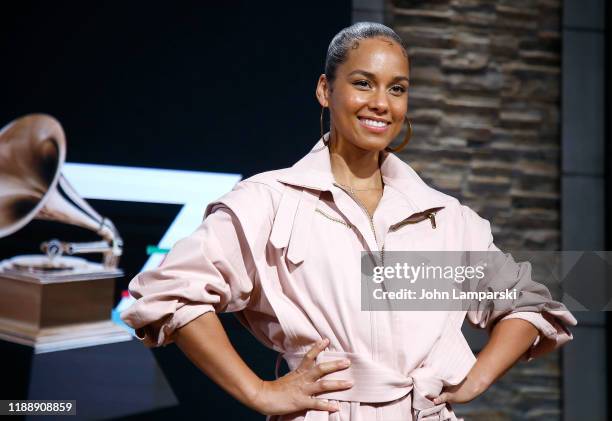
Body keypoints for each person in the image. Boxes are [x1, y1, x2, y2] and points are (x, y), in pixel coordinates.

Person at [120, 22, 576, 421]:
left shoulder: (445, 217)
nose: (382, 103)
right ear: (325, 89)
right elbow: (167, 291)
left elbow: (529, 303)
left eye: (397, 88)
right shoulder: (269, 202)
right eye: (363, 83)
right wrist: (259, 392)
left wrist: (476, 380)